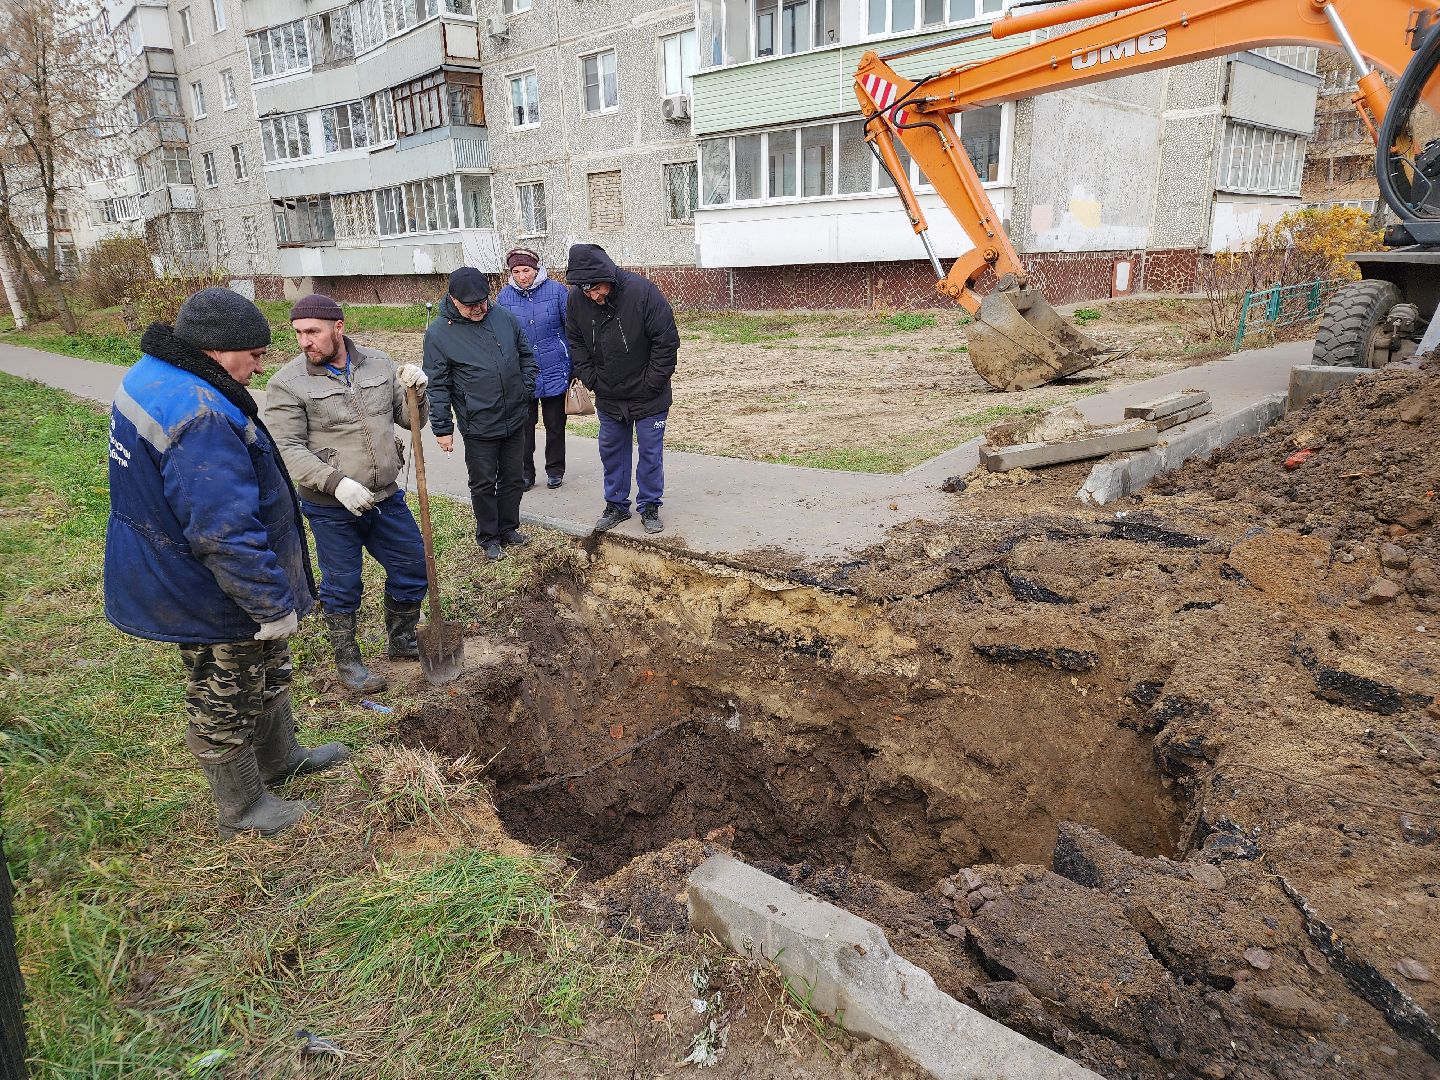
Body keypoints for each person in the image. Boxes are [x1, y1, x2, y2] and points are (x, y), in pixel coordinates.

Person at [104, 287, 348, 840]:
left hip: (187, 564)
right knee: (227, 689)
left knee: (267, 667)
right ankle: (243, 810)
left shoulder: (156, 376)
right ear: (215, 348)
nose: (260, 366)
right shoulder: (200, 414)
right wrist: (269, 604)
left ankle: (279, 759)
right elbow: (224, 530)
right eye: (254, 355)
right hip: (209, 584)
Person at [264, 293, 431, 694]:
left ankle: (401, 639)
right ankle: (348, 661)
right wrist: (336, 482)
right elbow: (286, 448)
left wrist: (419, 392)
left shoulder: (379, 364)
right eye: (299, 333)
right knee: (343, 584)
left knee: (413, 568)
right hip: (330, 507)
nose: (305, 341)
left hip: (385, 497)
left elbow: (411, 420)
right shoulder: (287, 383)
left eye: (312, 331)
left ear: (338, 328)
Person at [564, 244, 680, 535]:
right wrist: (592, 379)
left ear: (608, 277)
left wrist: (651, 383)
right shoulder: (577, 300)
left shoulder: (643, 292)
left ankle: (650, 505)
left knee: (650, 453)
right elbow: (575, 342)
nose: (593, 296)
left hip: (649, 394)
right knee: (612, 452)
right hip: (608, 393)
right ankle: (616, 505)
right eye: (586, 290)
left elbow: (666, 342)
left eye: (596, 288)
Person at [423, 266, 537, 560]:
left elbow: (526, 355)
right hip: (478, 423)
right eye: (470, 305)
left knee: (513, 478)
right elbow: (437, 385)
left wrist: (525, 389)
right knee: (484, 483)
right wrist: (442, 428)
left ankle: (508, 528)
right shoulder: (439, 334)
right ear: (453, 300)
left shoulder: (503, 317)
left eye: (482, 301)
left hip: (514, 416)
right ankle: (489, 536)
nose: (479, 309)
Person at [495, 247, 571, 491]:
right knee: (523, 428)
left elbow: (571, 329)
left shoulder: (557, 291)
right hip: (522, 373)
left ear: (536, 269)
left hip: (555, 367)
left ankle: (555, 470)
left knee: (555, 425)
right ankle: (525, 473)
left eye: (526, 270)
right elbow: (500, 336)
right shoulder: (504, 297)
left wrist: (573, 363)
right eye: (516, 271)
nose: (521, 276)